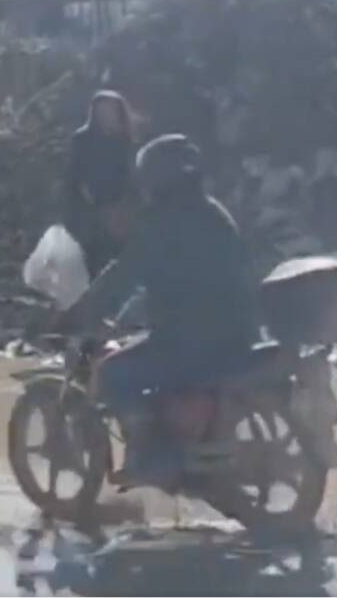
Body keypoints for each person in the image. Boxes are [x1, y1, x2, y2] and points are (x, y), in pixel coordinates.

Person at [58, 134, 257, 484]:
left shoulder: (162, 221)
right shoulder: (213, 212)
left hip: (190, 343)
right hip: (239, 336)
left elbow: (124, 275)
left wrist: (82, 312)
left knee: (113, 373)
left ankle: (146, 458)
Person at [64, 90, 138, 279]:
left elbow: (132, 172)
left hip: (122, 207)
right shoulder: (82, 139)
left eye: (110, 111)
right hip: (92, 207)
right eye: (101, 111)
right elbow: (75, 173)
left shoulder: (126, 139)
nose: (106, 116)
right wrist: (88, 197)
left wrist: (125, 204)